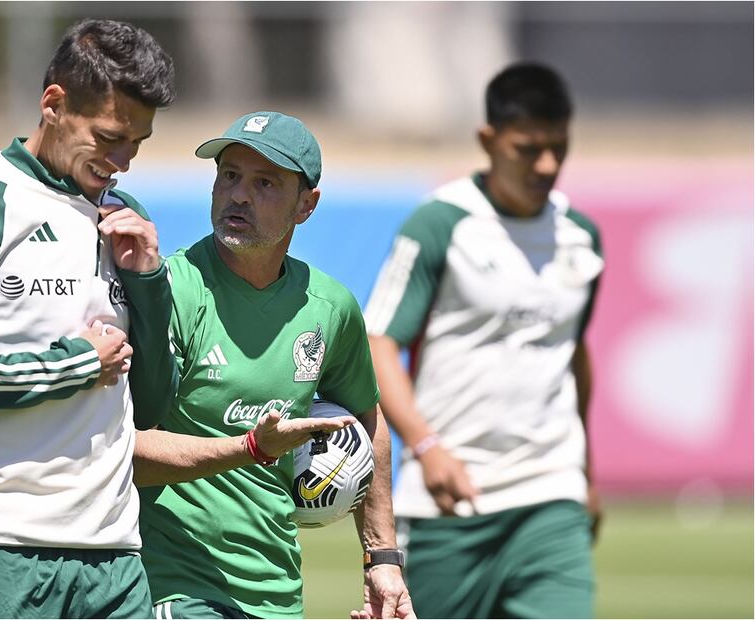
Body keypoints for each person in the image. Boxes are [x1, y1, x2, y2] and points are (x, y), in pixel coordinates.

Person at [0, 18, 175, 618]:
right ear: (53, 104)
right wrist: (67, 367)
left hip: (116, 558)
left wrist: (148, 283)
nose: (122, 161)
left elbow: (152, 405)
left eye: (137, 144)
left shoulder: (125, 217)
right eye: (109, 137)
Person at [132, 111, 415, 620]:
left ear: (307, 205)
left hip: (277, 593)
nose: (238, 195)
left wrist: (382, 558)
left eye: (264, 182)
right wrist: (251, 448)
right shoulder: (173, 291)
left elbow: (368, 421)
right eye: (229, 175)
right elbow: (124, 448)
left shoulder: (329, 307)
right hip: (174, 588)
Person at [363, 61, 603, 618]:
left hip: (550, 490)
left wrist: (586, 471)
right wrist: (426, 447)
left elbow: (575, 353)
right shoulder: (442, 225)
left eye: (558, 147)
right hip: (451, 497)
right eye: (528, 148)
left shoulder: (581, 236)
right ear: (488, 140)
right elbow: (379, 343)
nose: (546, 165)